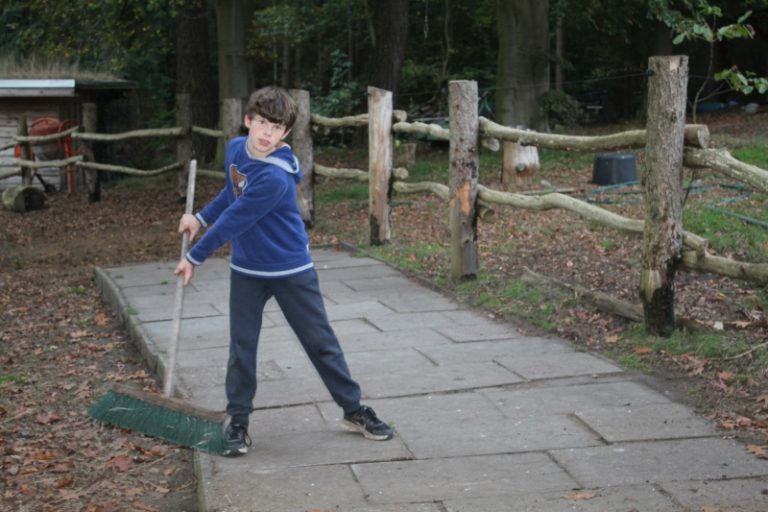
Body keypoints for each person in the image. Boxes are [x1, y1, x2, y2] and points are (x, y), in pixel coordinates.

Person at [175, 86, 394, 456]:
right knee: (242, 347)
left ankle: (353, 409)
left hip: (291, 269)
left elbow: (235, 219)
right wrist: (199, 217)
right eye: (262, 123)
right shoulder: (236, 149)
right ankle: (238, 420)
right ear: (248, 120)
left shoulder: (275, 177)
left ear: (286, 133)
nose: (266, 133)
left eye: (276, 128)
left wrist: (194, 257)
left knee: (320, 343)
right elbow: (231, 194)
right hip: (247, 270)